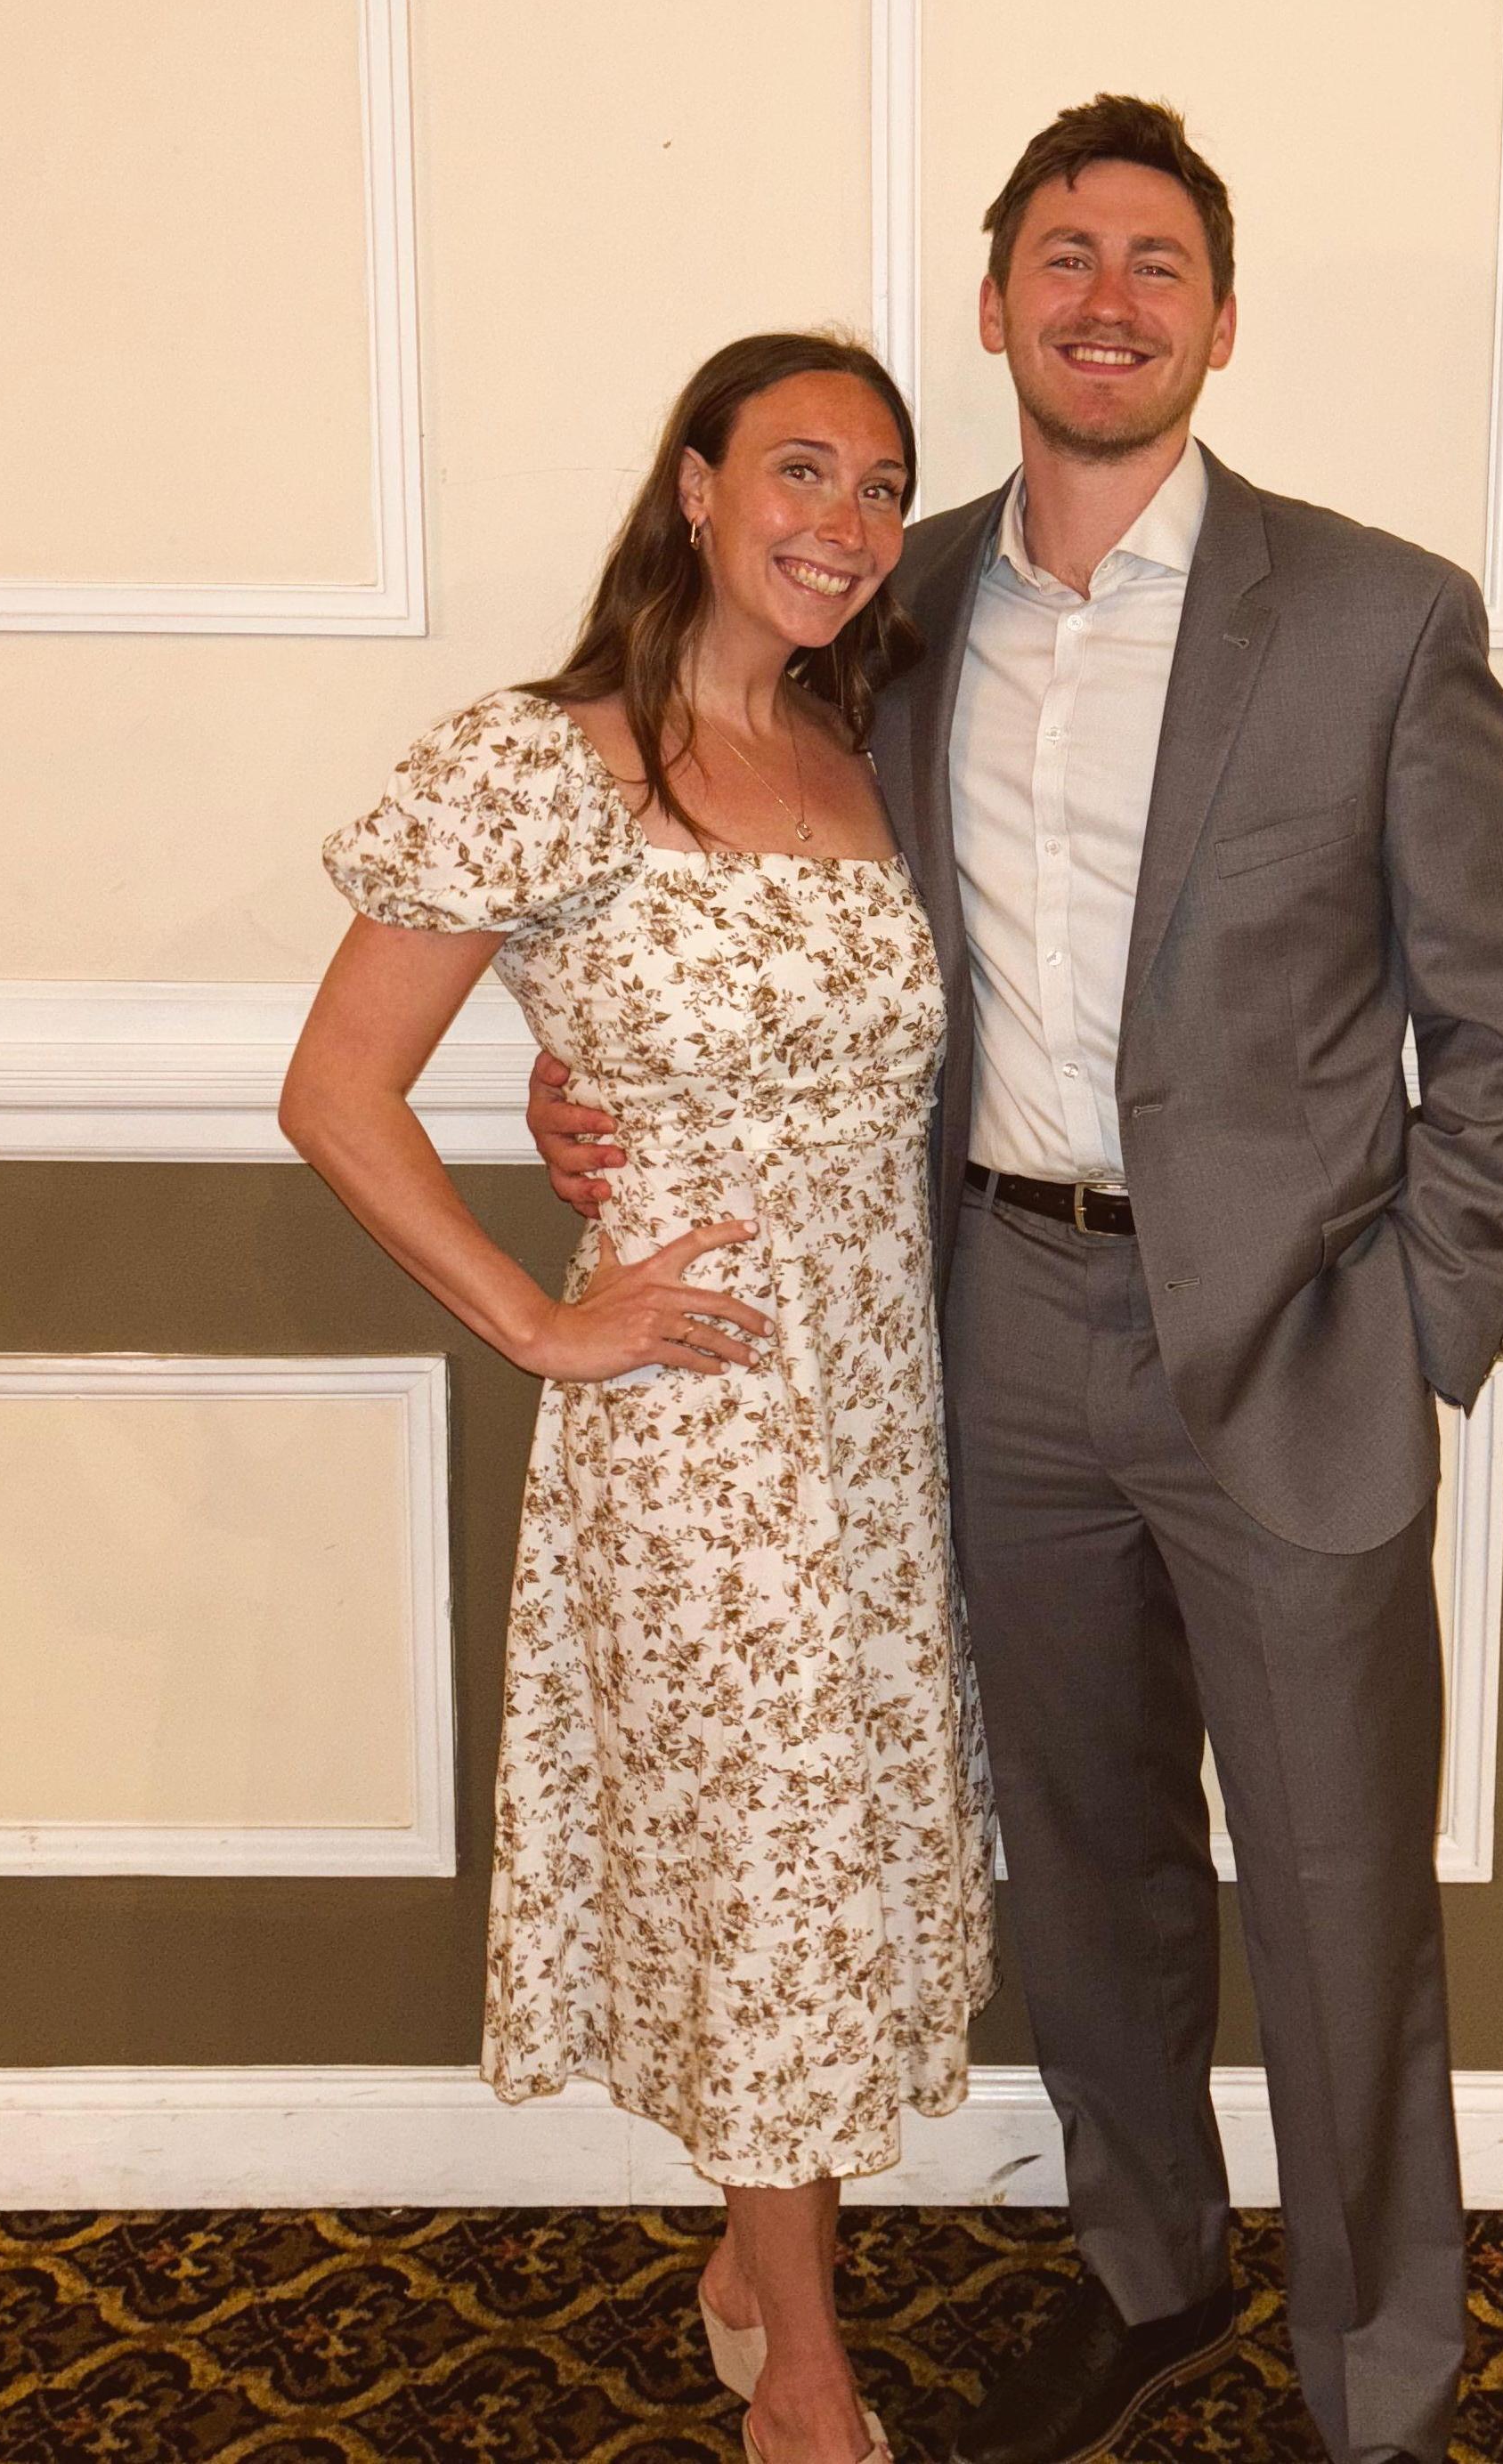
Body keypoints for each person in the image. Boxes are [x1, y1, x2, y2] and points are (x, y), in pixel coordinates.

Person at [532, 96, 1503, 2464]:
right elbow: (722, 875)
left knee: (1335, 1892)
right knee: (1087, 1868)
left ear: (1220, 320)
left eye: (1156, 264)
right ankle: (1146, 2271)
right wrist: (577, 1074)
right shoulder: (882, 613)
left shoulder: (1377, 617)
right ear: (997, 303)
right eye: (1065, 259)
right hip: (990, 1331)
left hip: (1297, 1345)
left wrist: (1421, 1317)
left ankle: (1378, 2381)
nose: (1109, 300)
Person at [285, 330, 997, 2464]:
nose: (846, 524)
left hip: (880, 1421)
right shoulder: (540, 761)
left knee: (830, 1862)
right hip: (693, 1432)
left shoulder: (866, 751)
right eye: (800, 469)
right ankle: (806, 2371)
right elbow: (337, 1090)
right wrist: (539, 1319)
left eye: (880, 487)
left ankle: (752, 2267)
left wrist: (586, 1075)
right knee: (768, 1863)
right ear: (694, 485)